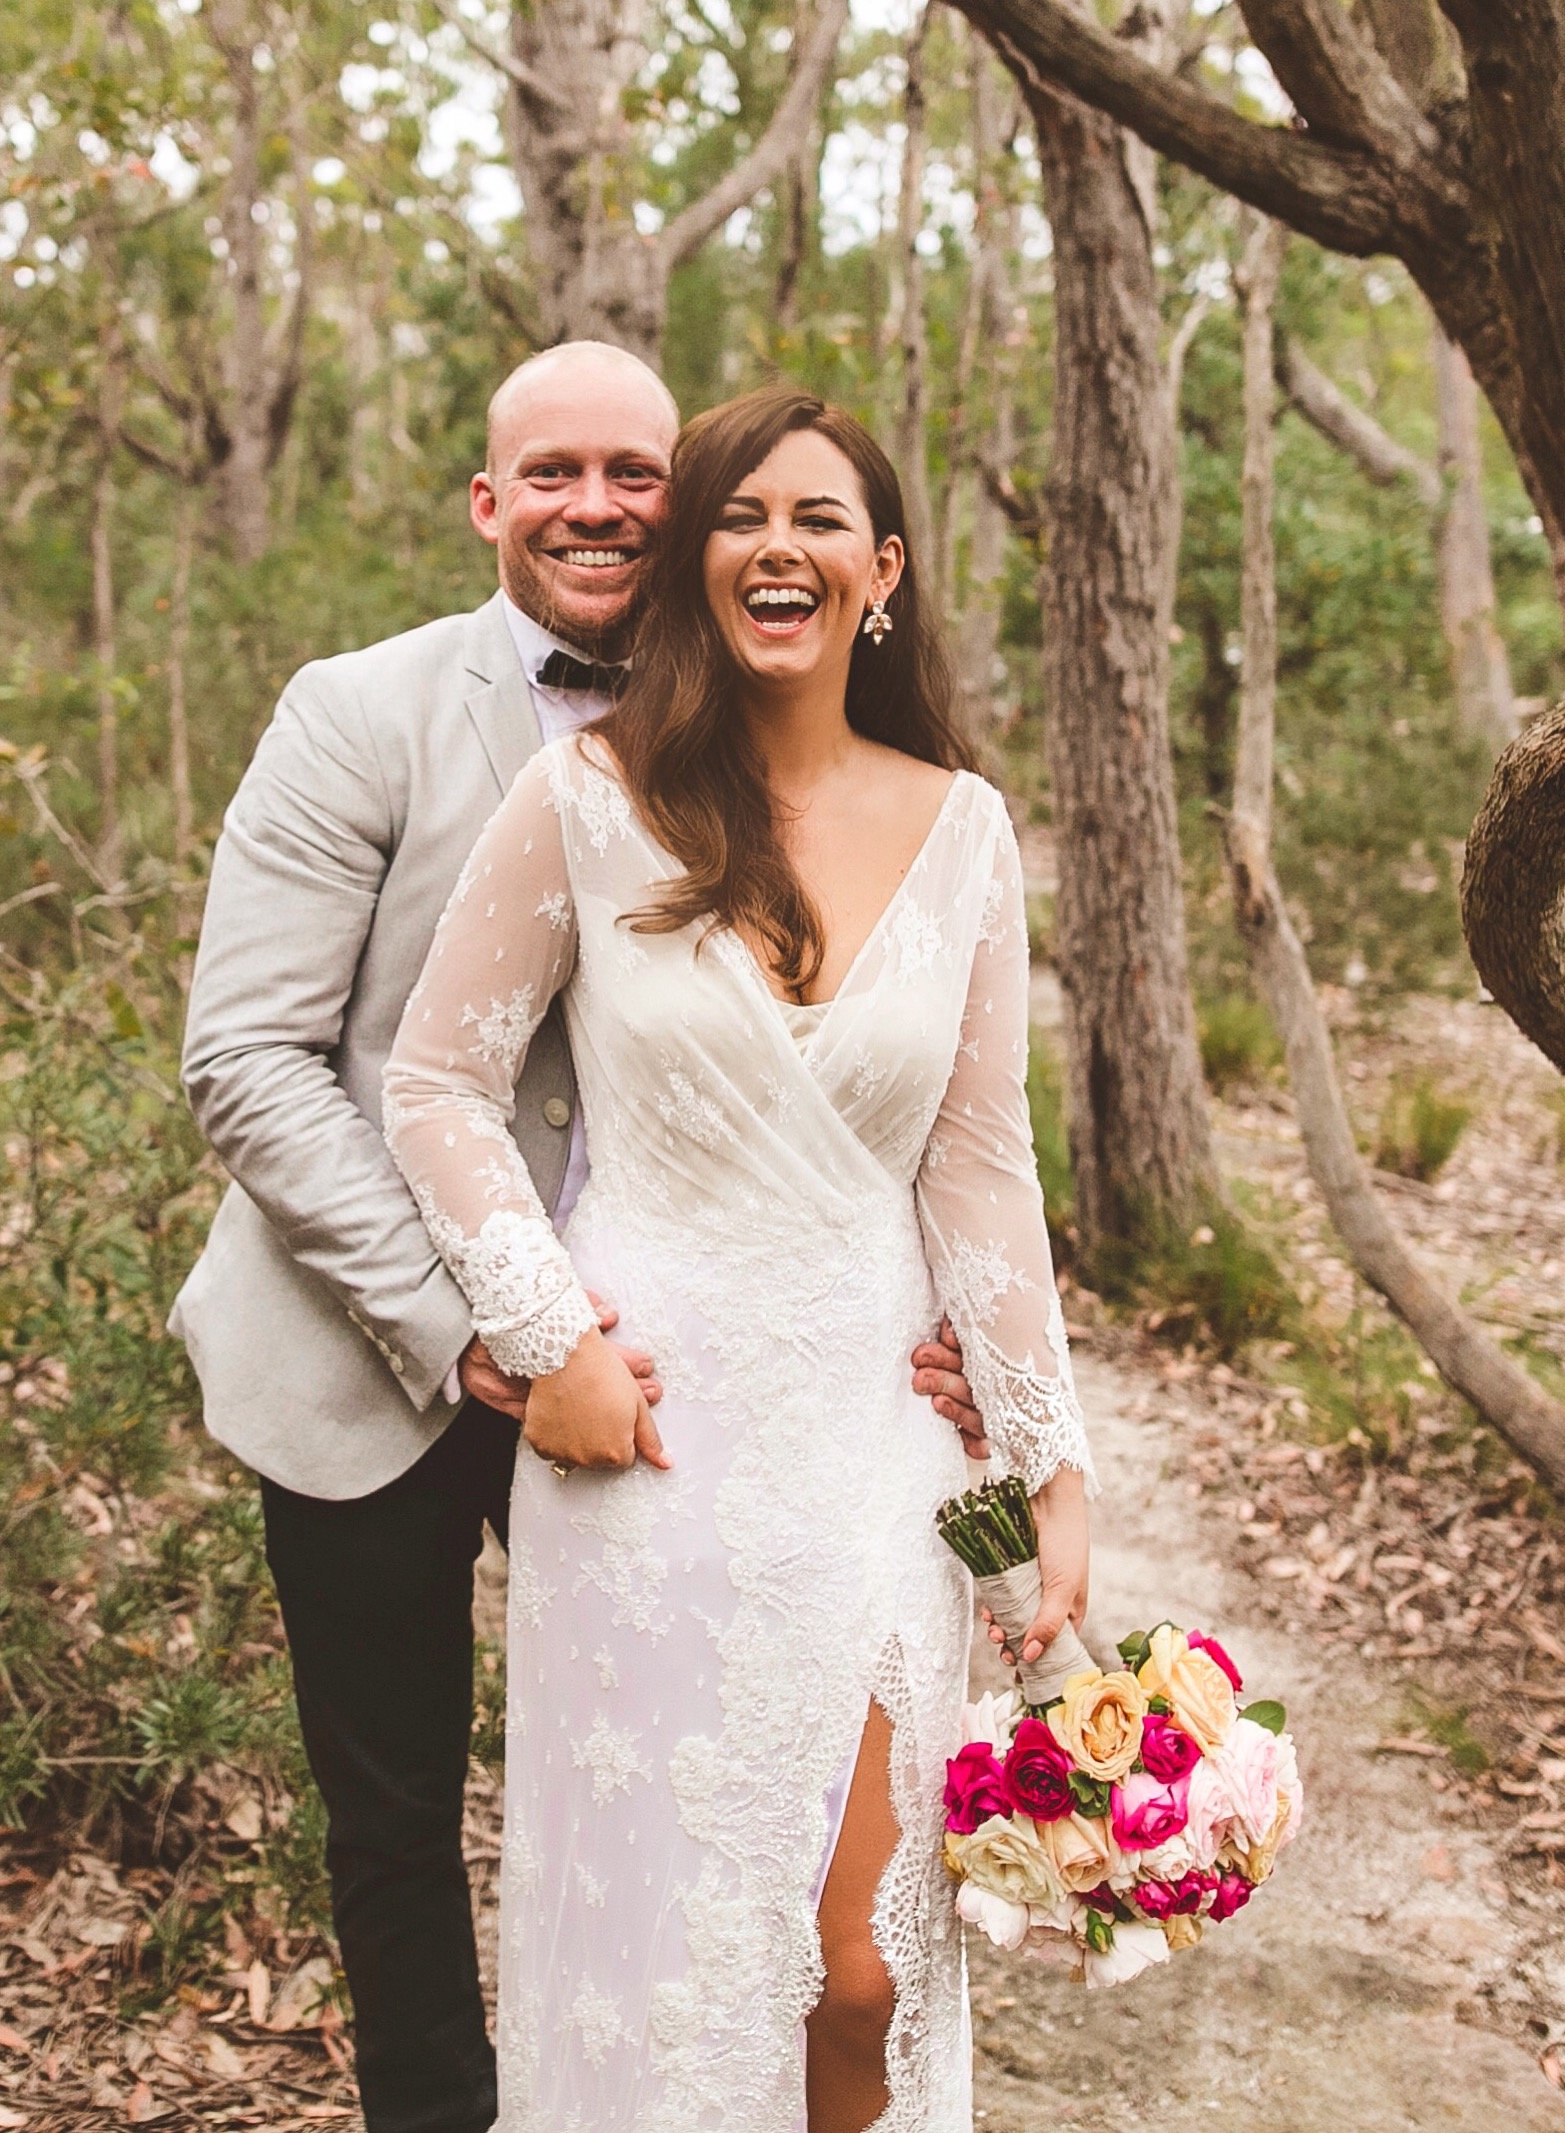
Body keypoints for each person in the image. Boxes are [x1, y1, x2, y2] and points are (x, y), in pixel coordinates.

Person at [173, 344, 987, 2133]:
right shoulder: (358, 710)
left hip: (685, 1372)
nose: (597, 505)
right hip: (371, 1339)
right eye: (554, 473)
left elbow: (884, 1081)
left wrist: (928, 1323)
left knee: (685, 1815)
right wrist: (481, 1326)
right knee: (394, 1823)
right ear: (487, 502)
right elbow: (246, 1059)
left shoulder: (758, 726)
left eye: (636, 470)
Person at [383, 385, 1092, 2133]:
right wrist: (551, 1341)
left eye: (819, 518)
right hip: (656, 1445)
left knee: (859, 1962)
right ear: (699, 566)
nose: (779, 546)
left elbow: (983, 1172)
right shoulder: (586, 798)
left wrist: (1048, 1460)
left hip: (875, 1442)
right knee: (668, 1947)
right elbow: (435, 1081)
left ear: (882, 571)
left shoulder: (966, 830)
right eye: (740, 517)